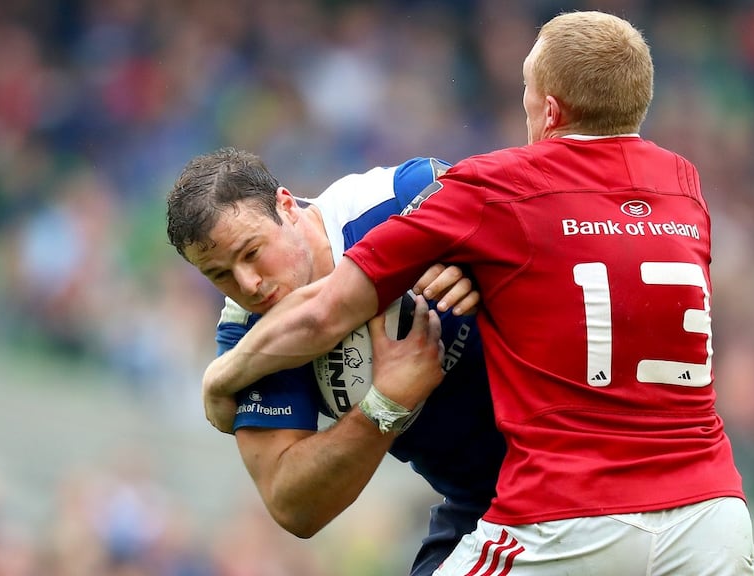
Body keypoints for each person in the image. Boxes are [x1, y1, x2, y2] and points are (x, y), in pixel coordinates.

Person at [200, 10, 754, 575]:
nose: (247, 284)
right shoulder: (685, 190)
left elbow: (322, 314)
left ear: (549, 109)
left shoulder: (494, 191)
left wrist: (222, 378)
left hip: (566, 505)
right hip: (709, 512)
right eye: (221, 273)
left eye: (525, 90)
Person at [165, 148, 506, 576]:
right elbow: (294, 506)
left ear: (287, 206)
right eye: (219, 275)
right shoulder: (246, 332)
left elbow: (559, 238)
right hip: (483, 504)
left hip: (575, 450)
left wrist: (490, 272)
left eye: (252, 252)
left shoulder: (401, 199)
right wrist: (384, 405)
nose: (248, 284)